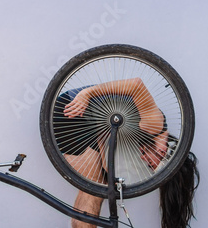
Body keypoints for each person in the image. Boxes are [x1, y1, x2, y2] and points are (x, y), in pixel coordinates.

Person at [53, 78, 199, 228]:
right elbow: (136, 85)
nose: (144, 159)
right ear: (163, 153)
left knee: (94, 188)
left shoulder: (140, 142)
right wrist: (87, 94)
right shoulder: (155, 125)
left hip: (89, 127)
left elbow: (106, 141)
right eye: (151, 165)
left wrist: (110, 169)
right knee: (96, 184)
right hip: (73, 109)